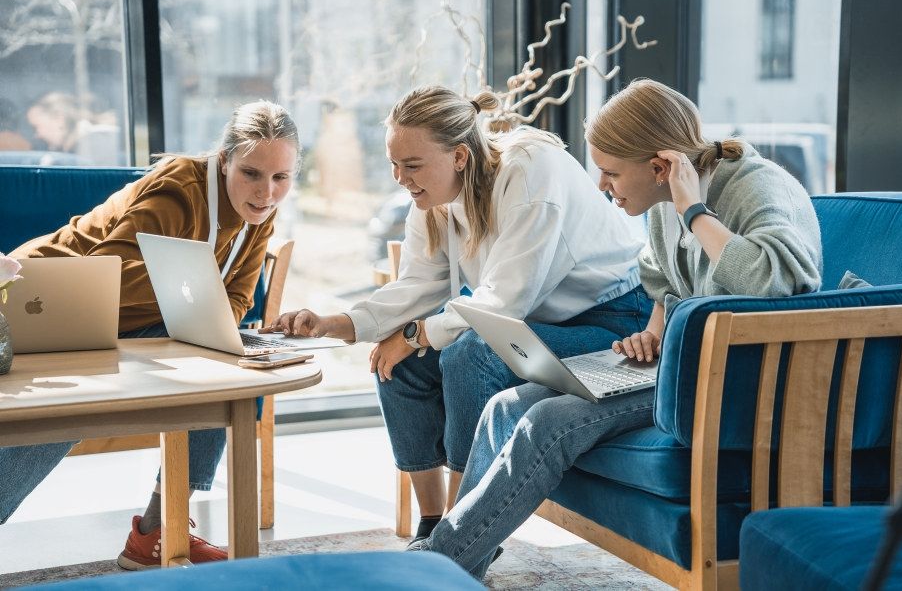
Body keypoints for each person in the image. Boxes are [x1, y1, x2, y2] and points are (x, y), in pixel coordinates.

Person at [407, 78, 823, 579]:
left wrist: (694, 211)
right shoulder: (663, 204)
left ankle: (436, 567)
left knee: (549, 423)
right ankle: (466, 557)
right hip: (682, 364)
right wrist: (652, 331)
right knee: (505, 407)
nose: (602, 186)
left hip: (738, 375)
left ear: (660, 166)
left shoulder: (755, 185)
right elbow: (665, 283)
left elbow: (772, 284)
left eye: (610, 172)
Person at [264, 85, 649, 544]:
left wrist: (415, 333)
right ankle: (430, 524)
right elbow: (417, 284)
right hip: (536, 324)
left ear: (461, 157)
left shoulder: (532, 175)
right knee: (399, 364)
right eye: (393, 164)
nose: (400, 178)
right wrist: (336, 322)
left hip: (613, 322)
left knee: (471, 353)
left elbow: (503, 304)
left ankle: (459, 534)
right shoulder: (432, 200)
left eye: (412, 165)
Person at [1, 100, 300, 569]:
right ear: (224, 161)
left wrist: (200, 312)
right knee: (80, 396)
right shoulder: (181, 187)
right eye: (252, 173)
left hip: (126, 325)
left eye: (281, 178)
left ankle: (159, 531)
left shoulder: (258, 215)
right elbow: (111, 273)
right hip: (42, 299)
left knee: (217, 365)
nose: (266, 192)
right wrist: (195, 300)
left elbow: (238, 301)